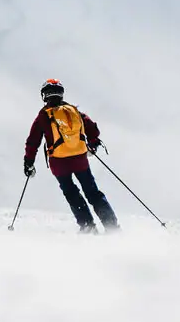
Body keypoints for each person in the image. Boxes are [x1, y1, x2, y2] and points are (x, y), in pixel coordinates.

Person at [23, 79, 119, 233]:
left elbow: (33, 142)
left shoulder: (43, 115)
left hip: (58, 163)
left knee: (71, 192)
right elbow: (93, 129)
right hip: (80, 159)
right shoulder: (73, 110)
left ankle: (88, 226)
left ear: (44, 95)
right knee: (92, 192)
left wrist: (28, 162)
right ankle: (112, 226)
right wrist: (93, 144)